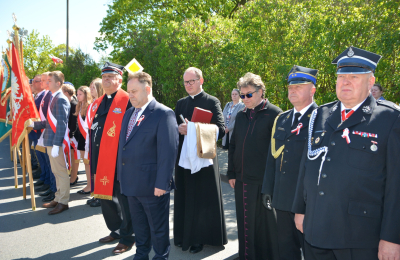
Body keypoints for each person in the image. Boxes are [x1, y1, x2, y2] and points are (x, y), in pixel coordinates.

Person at [292, 46, 400, 260]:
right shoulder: (320, 115)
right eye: (341, 76)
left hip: (359, 237)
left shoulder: (389, 120)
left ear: (370, 82)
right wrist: (300, 209)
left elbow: (396, 185)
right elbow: (306, 166)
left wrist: (392, 237)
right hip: (316, 228)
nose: (346, 82)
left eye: (354, 77)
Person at [118, 72, 179, 260]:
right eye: (129, 92)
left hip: (153, 185)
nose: (131, 95)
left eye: (134, 91)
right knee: (140, 227)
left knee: (158, 229)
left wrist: (163, 183)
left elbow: (168, 153)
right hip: (131, 183)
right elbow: (124, 146)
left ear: (148, 89)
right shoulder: (129, 113)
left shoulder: (163, 113)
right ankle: (141, 254)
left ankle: (161, 256)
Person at [262, 65, 318, 260]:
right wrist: (268, 188)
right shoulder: (282, 119)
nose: (292, 91)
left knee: (312, 250)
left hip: (309, 200)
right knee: (286, 250)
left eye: (299, 87)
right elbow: (272, 157)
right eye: (290, 87)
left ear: (312, 90)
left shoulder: (322, 120)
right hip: (284, 197)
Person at [227, 72, 281, 260]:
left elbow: (279, 151)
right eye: (242, 95)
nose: (244, 99)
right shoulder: (241, 115)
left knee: (266, 226)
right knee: (245, 224)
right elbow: (233, 144)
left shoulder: (274, 114)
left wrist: (273, 180)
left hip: (263, 181)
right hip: (242, 179)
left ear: (260, 92)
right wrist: (231, 173)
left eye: (248, 94)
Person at [174, 67, 227, 254]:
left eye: (192, 81)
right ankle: (183, 235)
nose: (188, 85)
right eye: (186, 82)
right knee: (185, 196)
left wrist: (194, 129)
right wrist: (179, 129)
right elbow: (173, 128)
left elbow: (220, 129)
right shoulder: (180, 103)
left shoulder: (212, 101)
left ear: (201, 80)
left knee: (202, 199)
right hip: (184, 158)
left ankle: (200, 238)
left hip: (205, 159)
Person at [89, 62, 134, 254]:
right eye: (104, 77)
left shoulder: (127, 99)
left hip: (119, 160)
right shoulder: (99, 102)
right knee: (105, 198)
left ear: (119, 80)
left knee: (124, 200)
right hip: (100, 158)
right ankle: (115, 230)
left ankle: (128, 237)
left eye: (111, 77)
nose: (106, 80)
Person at [31, 71, 71, 215]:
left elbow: (61, 123)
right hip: (51, 140)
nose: (46, 83)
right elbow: (49, 122)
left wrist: (56, 144)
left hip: (55, 142)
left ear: (58, 83)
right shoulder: (54, 97)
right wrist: (34, 125)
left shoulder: (60, 99)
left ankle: (63, 201)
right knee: (55, 172)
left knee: (60, 172)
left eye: (49, 80)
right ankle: (58, 197)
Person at [34, 72, 58, 202]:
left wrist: (36, 125)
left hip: (49, 133)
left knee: (52, 165)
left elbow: (53, 119)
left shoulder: (51, 95)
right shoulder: (47, 95)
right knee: (48, 163)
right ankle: (49, 185)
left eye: (46, 80)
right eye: (43, 80)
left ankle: (53, 189)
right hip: (43, 132)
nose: (44, 83)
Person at [86, 78, 103, 207]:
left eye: (93, 87)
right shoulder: (93, 103)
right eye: (90, 87)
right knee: (94, 168)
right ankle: (95, 193)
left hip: (99, 140)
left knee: (99, 168)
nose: (91, 89)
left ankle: (100, 195)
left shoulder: (102, 103)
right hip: (92, 138)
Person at [73, 86, 92, 194]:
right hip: (80, 137)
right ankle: (88, 185)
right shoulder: (79, 105)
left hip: (87, 138)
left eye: (80, 94)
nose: (78, 96)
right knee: (85, 163)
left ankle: (90, 186)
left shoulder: (90, 106)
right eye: (77, 94)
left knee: (88, 163)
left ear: (86, 94)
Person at [61, 83, 79, 186]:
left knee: (73, 157)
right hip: (69, 134)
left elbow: (74, 121)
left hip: (73, 135)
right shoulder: (69, 102)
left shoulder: (73, 103)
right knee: (70, 156)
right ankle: (72, 175)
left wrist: (70, 134)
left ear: (66, 93)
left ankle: (73, 177)